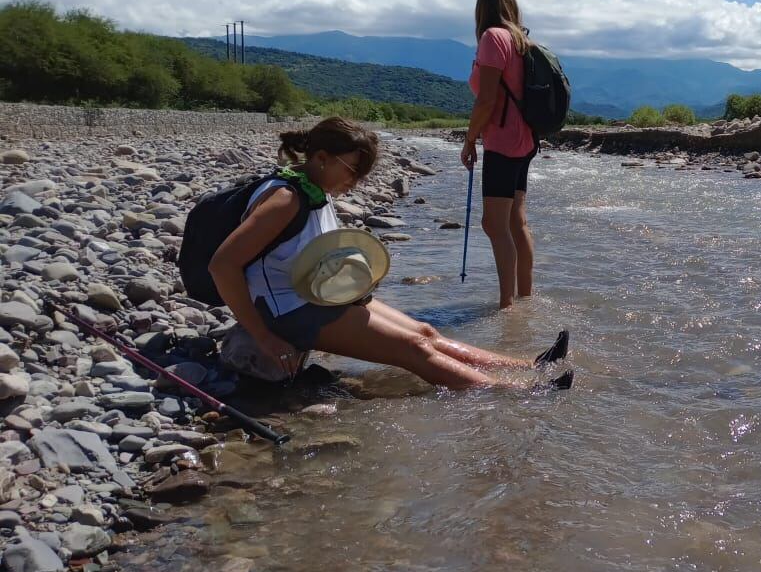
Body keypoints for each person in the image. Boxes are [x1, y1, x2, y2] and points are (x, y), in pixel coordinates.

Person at [209, 116, 570, 390]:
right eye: (353, 171)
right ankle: (520, 391)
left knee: (426, 331)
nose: (356, 182)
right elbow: (222, 265)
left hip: (317, 294)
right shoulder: (285, 199)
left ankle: (528, 365)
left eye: (362, 175)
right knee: (413, 349)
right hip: (286, 311)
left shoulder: (315, 189)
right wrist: (264, 336)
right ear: (321, 157)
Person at [460, 0, 538, 310]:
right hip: (526, 141)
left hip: (503, 142)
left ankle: (506, 307)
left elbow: (487, 99)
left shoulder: (493, 37)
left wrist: (469, 138)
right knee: (515, 222)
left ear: (483, 9)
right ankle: (526, 298)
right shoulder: (523, 41)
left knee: (494, 224)